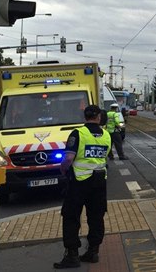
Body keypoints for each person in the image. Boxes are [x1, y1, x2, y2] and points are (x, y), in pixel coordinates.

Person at [54, 105, 111, 269]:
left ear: (85, 117)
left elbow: (68, 159)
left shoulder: (78, 133)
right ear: (99, 117)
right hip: (99, 182)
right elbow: (104, 157)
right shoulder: (106, 135)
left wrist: (63, 170)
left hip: (79, 182)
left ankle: (72, 255)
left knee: (71, 216)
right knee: (96, 216)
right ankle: (93, 251)